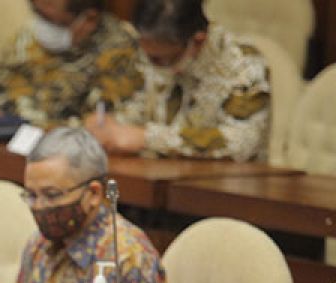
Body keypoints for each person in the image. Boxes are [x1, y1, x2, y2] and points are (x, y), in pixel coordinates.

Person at [14, 127, 166, 283]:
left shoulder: (130, 257)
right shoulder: (36, 245)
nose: (39, 207)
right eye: (31, 195)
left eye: (51, 195)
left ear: (93, 193)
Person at [86, 0, 270, 162]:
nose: (151, 64)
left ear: (197, 41)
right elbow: (134, 113)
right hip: (154, 175)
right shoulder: (147, 49)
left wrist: (148, 138)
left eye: (160, 59)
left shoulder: (243, 65)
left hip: (221, 185)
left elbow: (242, 142)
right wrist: (108, 126)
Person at [0, 0, 142, 126]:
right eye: (38, 13)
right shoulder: (28, 37)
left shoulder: (119, 49)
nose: (43, 26)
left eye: (51, 20)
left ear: (89, 19)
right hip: (0, 145)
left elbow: (97, 125)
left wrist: (23, 120)